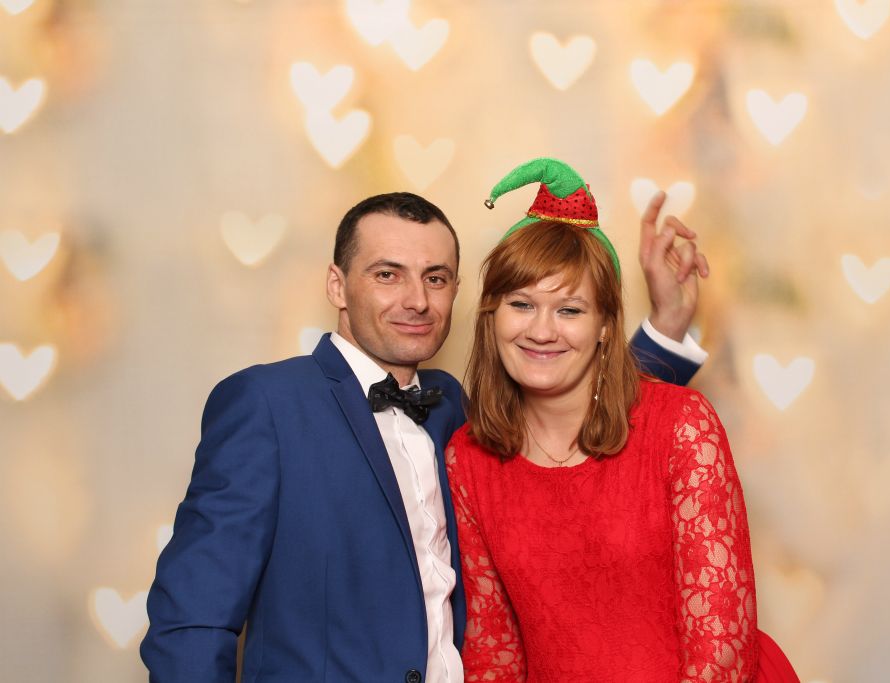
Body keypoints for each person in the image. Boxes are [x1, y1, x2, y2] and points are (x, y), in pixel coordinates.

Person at [141, 184, 708, 682]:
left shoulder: (454, 408)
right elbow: (192, 619)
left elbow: (569, 415)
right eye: (387, 274)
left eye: (435, 278)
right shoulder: (267, 404)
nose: (416, 300)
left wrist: (666, 327)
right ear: (337, 285)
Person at [446, 160, 801, 681]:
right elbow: (493, 650)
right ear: (491, 315)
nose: (541, 330)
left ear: (606, 327)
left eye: (569, 310)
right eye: (521, 304)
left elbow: (720, 651)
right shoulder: (468, 457)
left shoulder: (682, 426)